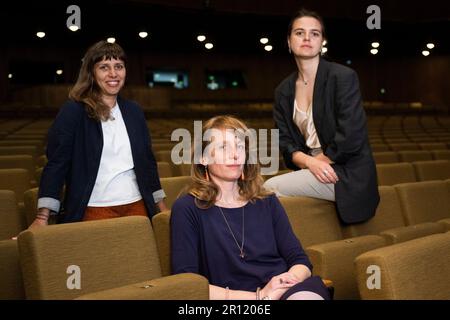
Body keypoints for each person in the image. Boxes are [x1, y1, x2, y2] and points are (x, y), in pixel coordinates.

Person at [170, 115, 330, 300]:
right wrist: (260, 296)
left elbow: (299, 260)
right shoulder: (187, 208)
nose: (235, 154)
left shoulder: (267, 201)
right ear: (203, 158)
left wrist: (284, 282)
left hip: (285, 291)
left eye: (239, 146)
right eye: (223, 147)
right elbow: (187, 283)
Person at [30, 40, 167, 227]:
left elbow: (147, 162)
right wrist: (42, 218)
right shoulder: (74, 111)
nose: (113, 74)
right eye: (104, 67)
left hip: (137, 206)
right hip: (93, 208)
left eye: (119, 66)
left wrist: (161, 206)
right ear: (92, 73)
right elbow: (56, 164)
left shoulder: (134, 111)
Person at [264, 9, 379, 224]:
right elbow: (286, 144)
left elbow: (351, 136)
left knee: (268, 188)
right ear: (288, 41)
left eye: (314, 33)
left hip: (347, 172)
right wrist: (310, 162)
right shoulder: (283, 91)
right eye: (299, 33)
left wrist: (319, 162)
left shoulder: (342, 77)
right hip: (314, 167)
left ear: (322, 42)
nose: (307, 38)